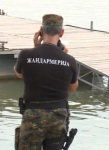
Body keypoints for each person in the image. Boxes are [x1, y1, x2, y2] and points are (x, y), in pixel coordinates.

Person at [13, 14, 78, 150]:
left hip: (33, 114)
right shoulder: (69, 60)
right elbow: (72, 89)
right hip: (58, 115)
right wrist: (63, 56)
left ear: (41, 31)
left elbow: (19, 73)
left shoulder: (26, 54)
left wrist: (35, 48)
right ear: (61, 32)